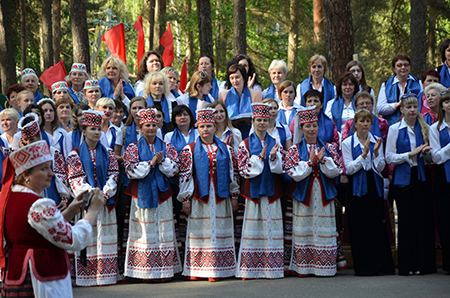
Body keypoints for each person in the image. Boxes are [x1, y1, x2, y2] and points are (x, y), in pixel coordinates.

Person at [0, 140, 106, 298]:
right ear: (25, 175)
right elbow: (74, 240)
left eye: (49, 167)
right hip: (40, 279)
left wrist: (69, 211)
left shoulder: (10, 197)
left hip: (17, 273)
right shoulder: (39, 205)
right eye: (43, 169)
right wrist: (93, 211)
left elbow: (37, 229)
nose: (51, 173)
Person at [178, 108, 239, 281]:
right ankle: (197, 269)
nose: (206, 129)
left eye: (209, 126)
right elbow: (185, 176)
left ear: (215, 127)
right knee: (200, 232)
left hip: (220, 196)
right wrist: (186, 199)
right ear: (197, 127)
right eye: (202, 126)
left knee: (219, 230)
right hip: (199, 196)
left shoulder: (225, 148)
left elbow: (232, 173)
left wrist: (234, 195)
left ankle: (219, 268)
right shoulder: (189, 149)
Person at [123, 108, 181, 280]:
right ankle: (144, 271)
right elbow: (131, 170)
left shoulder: (167, 146)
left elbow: (175, 169)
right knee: (145, 229)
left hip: (163, 194)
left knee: (163, 229)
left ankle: (164, 270)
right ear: (141, 127)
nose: (151, 128)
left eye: (154, 125)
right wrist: (151, 163)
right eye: (147, 125)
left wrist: (162, 162)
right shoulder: (133, 148)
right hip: (141, 194)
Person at [284, 106, 343, 277]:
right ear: (301, 129)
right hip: (303, 195)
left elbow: (337, 170)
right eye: (307, 126)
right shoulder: (295, 149)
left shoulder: (329, 148)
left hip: (323, 193)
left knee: (324, 227)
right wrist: (310, 163)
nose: (311, 129)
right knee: (304, 227)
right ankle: (304, 266)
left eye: (314, 125)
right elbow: (293, 174)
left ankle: (325, 266)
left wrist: (323, 161)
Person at [66, 110, 120, 286]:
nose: (96, 132)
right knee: (88, 236)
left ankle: (106, 275)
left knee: (105, 237)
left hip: (104, 202)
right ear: (84, 131)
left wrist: (103, 193)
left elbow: (114, 174)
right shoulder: (74, 155)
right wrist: (93, 193)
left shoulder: (109, 153)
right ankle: (87, 276)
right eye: (92, 129)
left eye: (98, 129)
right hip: (86, 203)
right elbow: (75, 179)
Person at [385, 95, 436, 275]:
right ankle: (408, 265)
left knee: (423, 221)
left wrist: (427, 154)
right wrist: (410, 154)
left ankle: (424, 265)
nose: (412, 110)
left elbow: (431, 158)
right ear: (402, 110)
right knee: (406, 222)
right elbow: (389, 157)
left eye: (415, 107)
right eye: (408, 107)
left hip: (421, 177)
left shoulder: (425, 128)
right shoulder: (394, 129)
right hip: (403, 179)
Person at [342, 109, 395, 276]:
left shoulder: (376, 140)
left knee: (376, 226)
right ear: (355, 124)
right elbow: (349, 169)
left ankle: (379, 265)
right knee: (359, 227)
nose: (365, 124)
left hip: (373, 186)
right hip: (356, 188)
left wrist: (376, 153)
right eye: (362, 121)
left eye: (368, 121)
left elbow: (380, 168)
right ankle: (363, 266)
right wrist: (364, 154)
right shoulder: (347, 143)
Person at [236, 103, 284, 280]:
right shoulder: (245, 143)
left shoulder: (275, 142)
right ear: (252, 121)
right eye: (259, 120)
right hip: (253, 192)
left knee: (271, 227)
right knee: (253, 227)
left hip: (272, 191)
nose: (262, 123)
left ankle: (271, 268)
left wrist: (272, 157)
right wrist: (260, 158)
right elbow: (243, 170)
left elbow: (281, 168)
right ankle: (250, 269)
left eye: (265, 120)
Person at [18, 113, 70, 210]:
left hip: (50, 197)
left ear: (38, 136)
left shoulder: (52, 152)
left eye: (32, 139)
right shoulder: (21, 156)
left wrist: (64, 198)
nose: (29, 143)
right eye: (26, 140)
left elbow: (60, 175)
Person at [429, 90, 450, 273]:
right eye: (446, 102)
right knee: (445, 219)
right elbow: (436, 156)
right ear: (442, 105)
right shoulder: (435, 128)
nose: (449, 105)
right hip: (444, 177)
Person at [377, 54, 423, 125]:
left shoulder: (418, 83)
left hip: (414, 124)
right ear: (394, 68)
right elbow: (380, 109)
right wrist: (397, 105)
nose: (403, 67)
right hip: (391, 125)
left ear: (410, 67)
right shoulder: (386, 85)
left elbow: (423, 105)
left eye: (406, 65)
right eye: (399, 65)